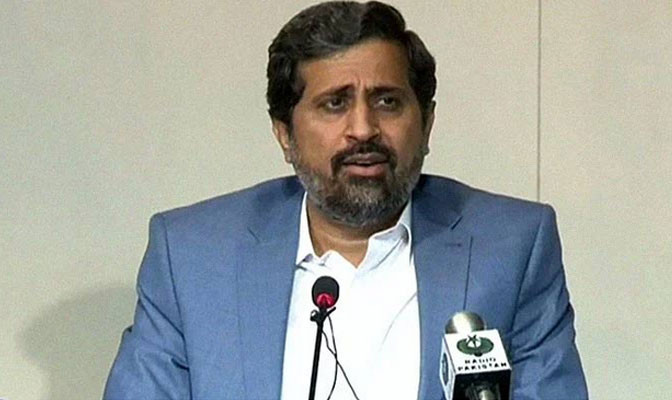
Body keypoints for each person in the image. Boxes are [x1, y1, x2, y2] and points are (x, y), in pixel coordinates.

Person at [104, 1, 588, 399]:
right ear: (285, 134)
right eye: (335, 103)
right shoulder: (192, 258)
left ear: (427, 123)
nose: (363, 129)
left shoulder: (511, 248)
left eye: (387, 101)